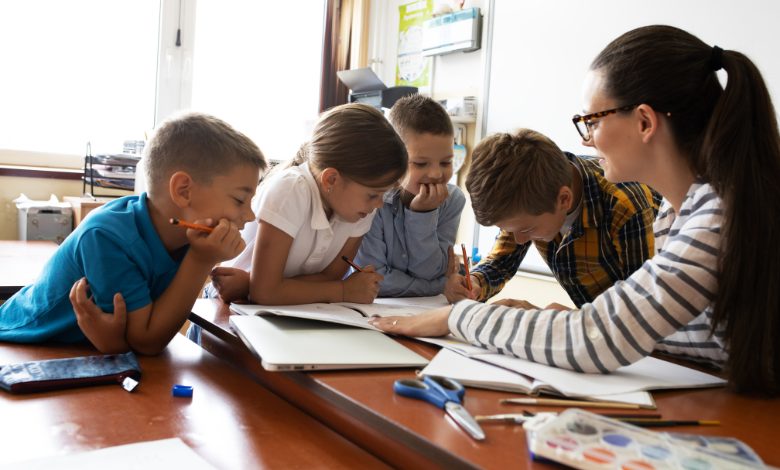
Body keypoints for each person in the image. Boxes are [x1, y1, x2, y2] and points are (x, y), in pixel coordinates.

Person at [370, 25, 780, 395]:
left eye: (592, 121)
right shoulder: (680, 215)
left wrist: (456, 318)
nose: (586, 140)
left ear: (644, 123)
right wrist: (557, 322)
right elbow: (652, 326)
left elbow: (595, 340)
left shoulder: (716, 216)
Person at [0, 112, 267, 354]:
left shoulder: (188, 233)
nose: (250, 216)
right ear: (184, 191)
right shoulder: (107, 237)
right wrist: (201, 261)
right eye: (239, 200)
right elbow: (147, 342)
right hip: (24, 344)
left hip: (83, 352)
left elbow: (139, 338)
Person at [210, 103, 408, 305]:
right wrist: (342, 291)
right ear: (331, 179)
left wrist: (252, 284)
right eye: (373, 195)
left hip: (283, 308)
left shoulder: (359, 209)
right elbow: (266, 293)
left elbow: (330, 277)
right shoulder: (291, 190)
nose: (379, 205)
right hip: (228, 305)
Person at [454, 128, 659, 308]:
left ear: (564, 199)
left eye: (527, 230)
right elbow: (501, 262)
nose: (519, 240)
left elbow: (643, 311)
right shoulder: (525, 195)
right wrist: (475, 282)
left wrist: (556, 321)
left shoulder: (625, 205)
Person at [354, 94, 466, 300]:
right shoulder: (373, 198)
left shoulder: (453, 200)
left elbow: (429, 270)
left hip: (423, 314)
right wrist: (440, 285)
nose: (435, 174)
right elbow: (374, 279)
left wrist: (424, 214)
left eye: (446, 162)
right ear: (394, 157)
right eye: (421, 163)